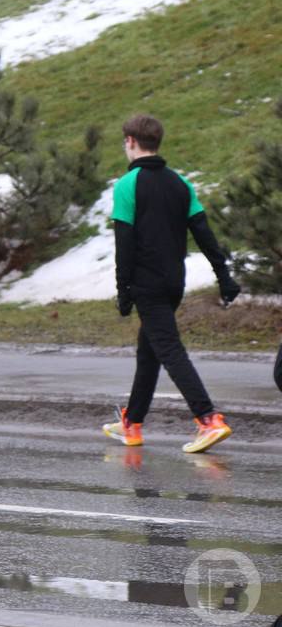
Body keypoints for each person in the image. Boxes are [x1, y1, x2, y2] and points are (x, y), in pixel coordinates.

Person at [102, 114, 240, 454]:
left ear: (131, 142)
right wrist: (224, 276)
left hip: (147, 286)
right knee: (149, 353)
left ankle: (208, 419)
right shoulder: (181, 184)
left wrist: (123, 291)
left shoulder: (127, 185)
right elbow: (205, 235)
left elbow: (125, 243)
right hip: (174, 283)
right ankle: (131, 423)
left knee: (169, 350)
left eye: (125, 142)